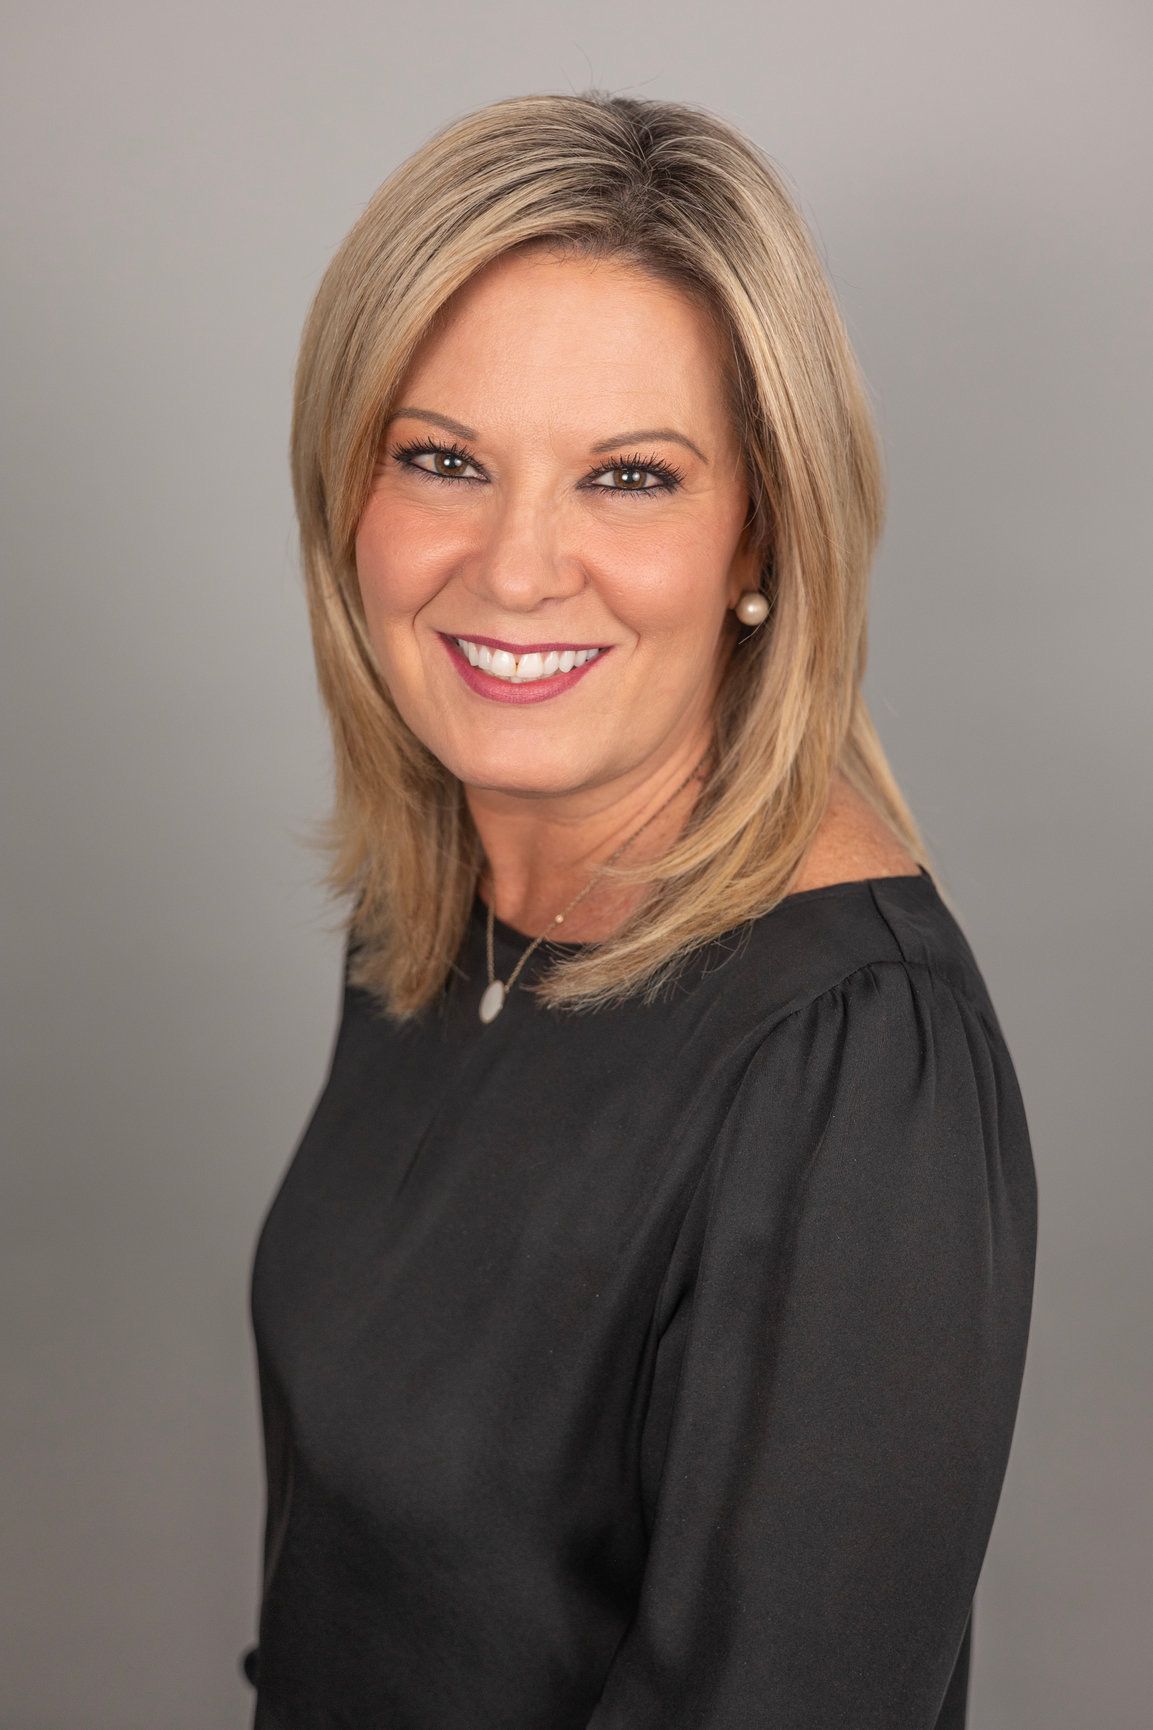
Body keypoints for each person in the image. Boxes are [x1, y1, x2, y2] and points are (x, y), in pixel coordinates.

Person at [240, 90, 1038, 1729]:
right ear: (350, 493)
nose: (517, 567)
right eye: (442, 458)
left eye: (628, 477)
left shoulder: (848, 1061)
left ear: (763, 531)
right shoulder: (447, 899)